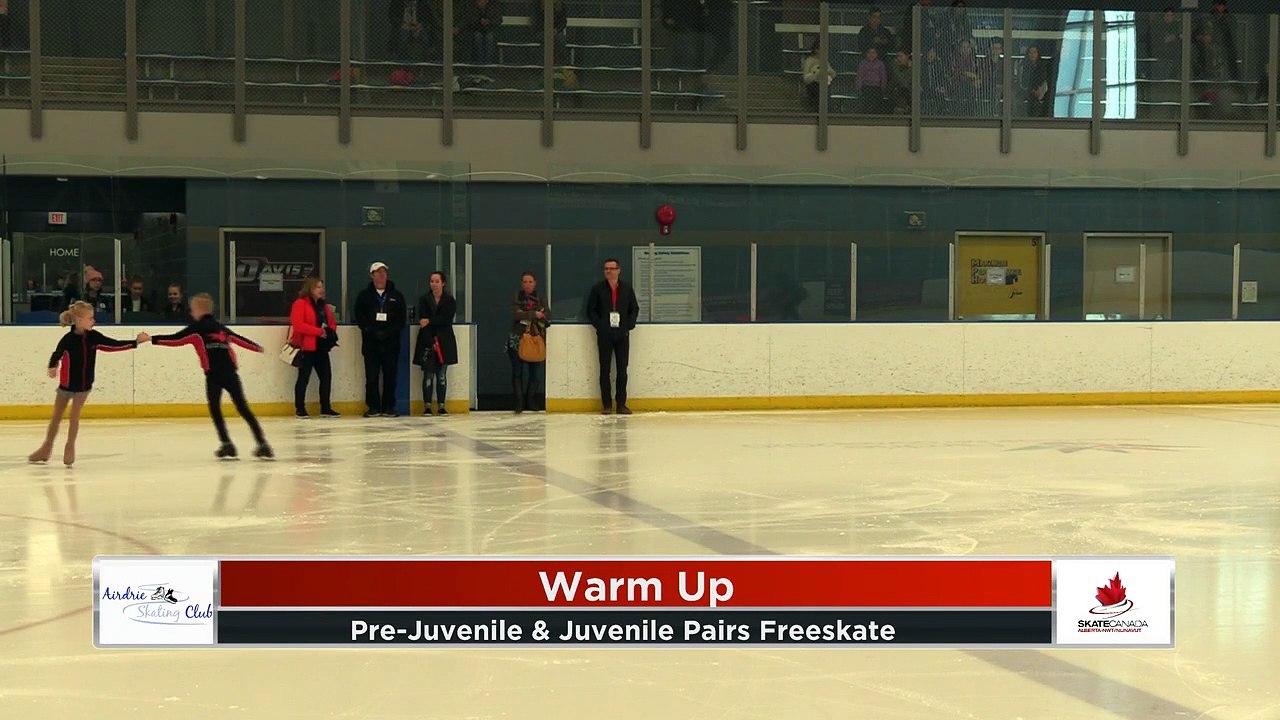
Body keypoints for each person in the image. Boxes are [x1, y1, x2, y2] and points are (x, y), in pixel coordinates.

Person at [149, 293, 273, 460]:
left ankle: (227, 443)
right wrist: (258, 348)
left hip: (213, 375)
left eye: (192, 309)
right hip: (230, 372)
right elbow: (240, 339)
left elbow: (175, 340)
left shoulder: (197, 329)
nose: (191, 312)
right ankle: (262, 443)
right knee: (243, 407)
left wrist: (152, 339)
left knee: (215, 408)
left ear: (198, 309)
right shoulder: (220, 327)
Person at [29, 301, 147, 466]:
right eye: (90, 318)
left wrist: (135, 342)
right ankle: (46, 448)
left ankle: (70, 446)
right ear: (79, 320)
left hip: (83, 387)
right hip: (65, 386)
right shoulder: (68, 339)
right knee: (56, 418)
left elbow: (113, 345)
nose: (94, 321)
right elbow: (57, 353)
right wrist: (52, 366)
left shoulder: (94, 337)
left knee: (74, 418)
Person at [585, 258, 640, 415]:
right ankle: (607, 405)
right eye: (606, 269)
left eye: (611, 268)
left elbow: (634, 308)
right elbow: (591, 310)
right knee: (605, 370)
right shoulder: (598, 289)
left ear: (618, 270)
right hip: (605, 335)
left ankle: (621, 404)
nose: (608, 271)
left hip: (622, 334)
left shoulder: (627, 289)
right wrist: (601, 326)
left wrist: (629, 324)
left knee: (622, 370)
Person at [353, 261, 407, 417]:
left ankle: (389, 406)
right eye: (378, 272)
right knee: (372, 377)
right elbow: (360, 317)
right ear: (372, 275)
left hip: (391, 344)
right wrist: (372, 331)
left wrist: (388, 332)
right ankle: (373, 407)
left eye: (384, 272)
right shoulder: (364, 296)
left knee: (391, 376)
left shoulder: (396, 296)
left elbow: (401, 319)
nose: (381, 275)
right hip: (371, 345)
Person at [289, 277, 339, 418]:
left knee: (326, 377)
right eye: (318, 287)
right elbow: (298, 325)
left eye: (322, 287)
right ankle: (300, 408)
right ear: (310, 289)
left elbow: (332, 322)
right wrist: (319, 331)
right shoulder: (300, 304)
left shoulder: (324, 306)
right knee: (303, 378)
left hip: (322, 347)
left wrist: (329, 332)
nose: (321, 290)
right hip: (307, 347)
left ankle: (326, 407)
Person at [413, 271, 458, 416]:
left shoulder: (449, 300)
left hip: (445, 341)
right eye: (432, 281)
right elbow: (423, 322)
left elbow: (446, 319)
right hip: (427, 340)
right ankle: (427, 406)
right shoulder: (424, 300)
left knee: (442, 375)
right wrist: (430, 340)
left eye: (437, 281)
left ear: (443, 283)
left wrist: (431, 320)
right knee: (428, 375)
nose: (434, 284)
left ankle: (441, 405)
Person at [507, 270, 550, 413]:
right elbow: (515, 314)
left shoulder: (541, 298)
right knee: (517, 372)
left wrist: (536, 316)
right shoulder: (516, 297)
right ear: (521, 283)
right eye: (525, 282)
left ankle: (531, 401)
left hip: (535, 339)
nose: (527, 284)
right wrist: (533, 314)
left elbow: (546, 315)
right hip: (517, 339)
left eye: (530, 282)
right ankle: (519, 402)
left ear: (535, 283)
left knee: (534, 372)